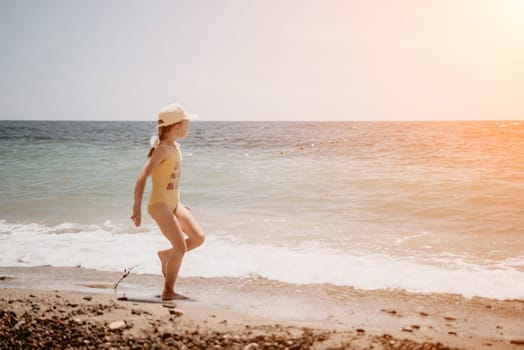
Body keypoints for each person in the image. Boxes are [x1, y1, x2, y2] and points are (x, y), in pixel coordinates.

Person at [131, 103, 205, 300]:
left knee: (198, 238)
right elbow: (142, 175)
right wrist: (136, 206)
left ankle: (166, 255)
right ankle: (168, 292)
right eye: (186, 122)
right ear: (177, 127)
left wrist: (179, 203)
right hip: (159, 205)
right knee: (181, 247)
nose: (189, 125)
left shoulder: (176, 146)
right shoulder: (163, 150)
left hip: (173, 203)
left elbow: (170, 180)